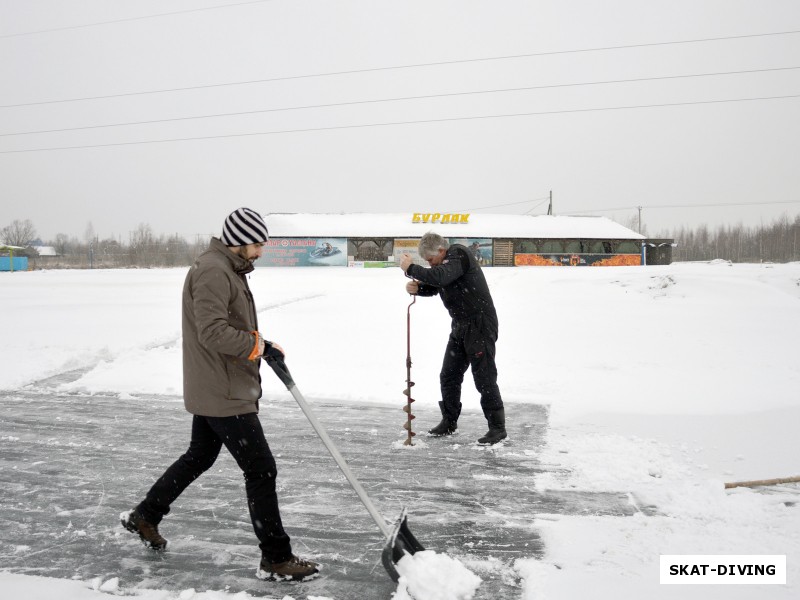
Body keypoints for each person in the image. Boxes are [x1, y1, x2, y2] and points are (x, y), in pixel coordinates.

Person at [121, 207, 319, 582]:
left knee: (199, 455)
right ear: (240, 240)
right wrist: (257, 346)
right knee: (261, 469)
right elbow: (212, 332)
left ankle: (146, 515)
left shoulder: (227, 267)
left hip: (218, 383)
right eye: (258, 244)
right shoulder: (214, 270)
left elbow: (231, 327)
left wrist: (263, 344)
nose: (261, 251)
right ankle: (276, 557)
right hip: (223, 390)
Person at [399, 232, 507, 445]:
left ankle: (497, 428)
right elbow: (438, 283)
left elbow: (441, 276)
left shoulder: (459, 254)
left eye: (431, 260)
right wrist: (419, 288)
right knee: (448, 375)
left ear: (441, 251)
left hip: (480, 325)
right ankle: (449, 421)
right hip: (460, 325)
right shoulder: (446, 266)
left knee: (484, 377)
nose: (430, 265)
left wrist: (411, 269)